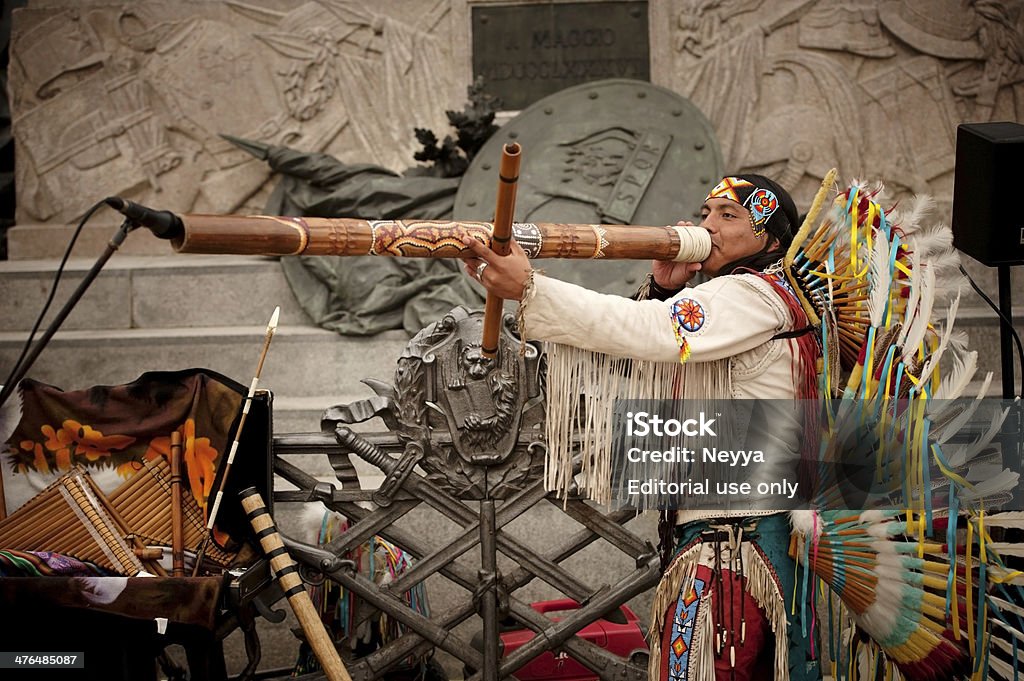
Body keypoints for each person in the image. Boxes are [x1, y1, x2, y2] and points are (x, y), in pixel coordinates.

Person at [461, 174, 821, 681]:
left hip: (737, 542)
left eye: (728, 215)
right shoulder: (738, 296)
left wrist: (531, 287)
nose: (708, 225)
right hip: (727, 535)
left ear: (771, 239)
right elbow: (640, 356)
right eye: (706, 213)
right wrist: (662, 288)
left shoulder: (753, 294)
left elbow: (656, 334)